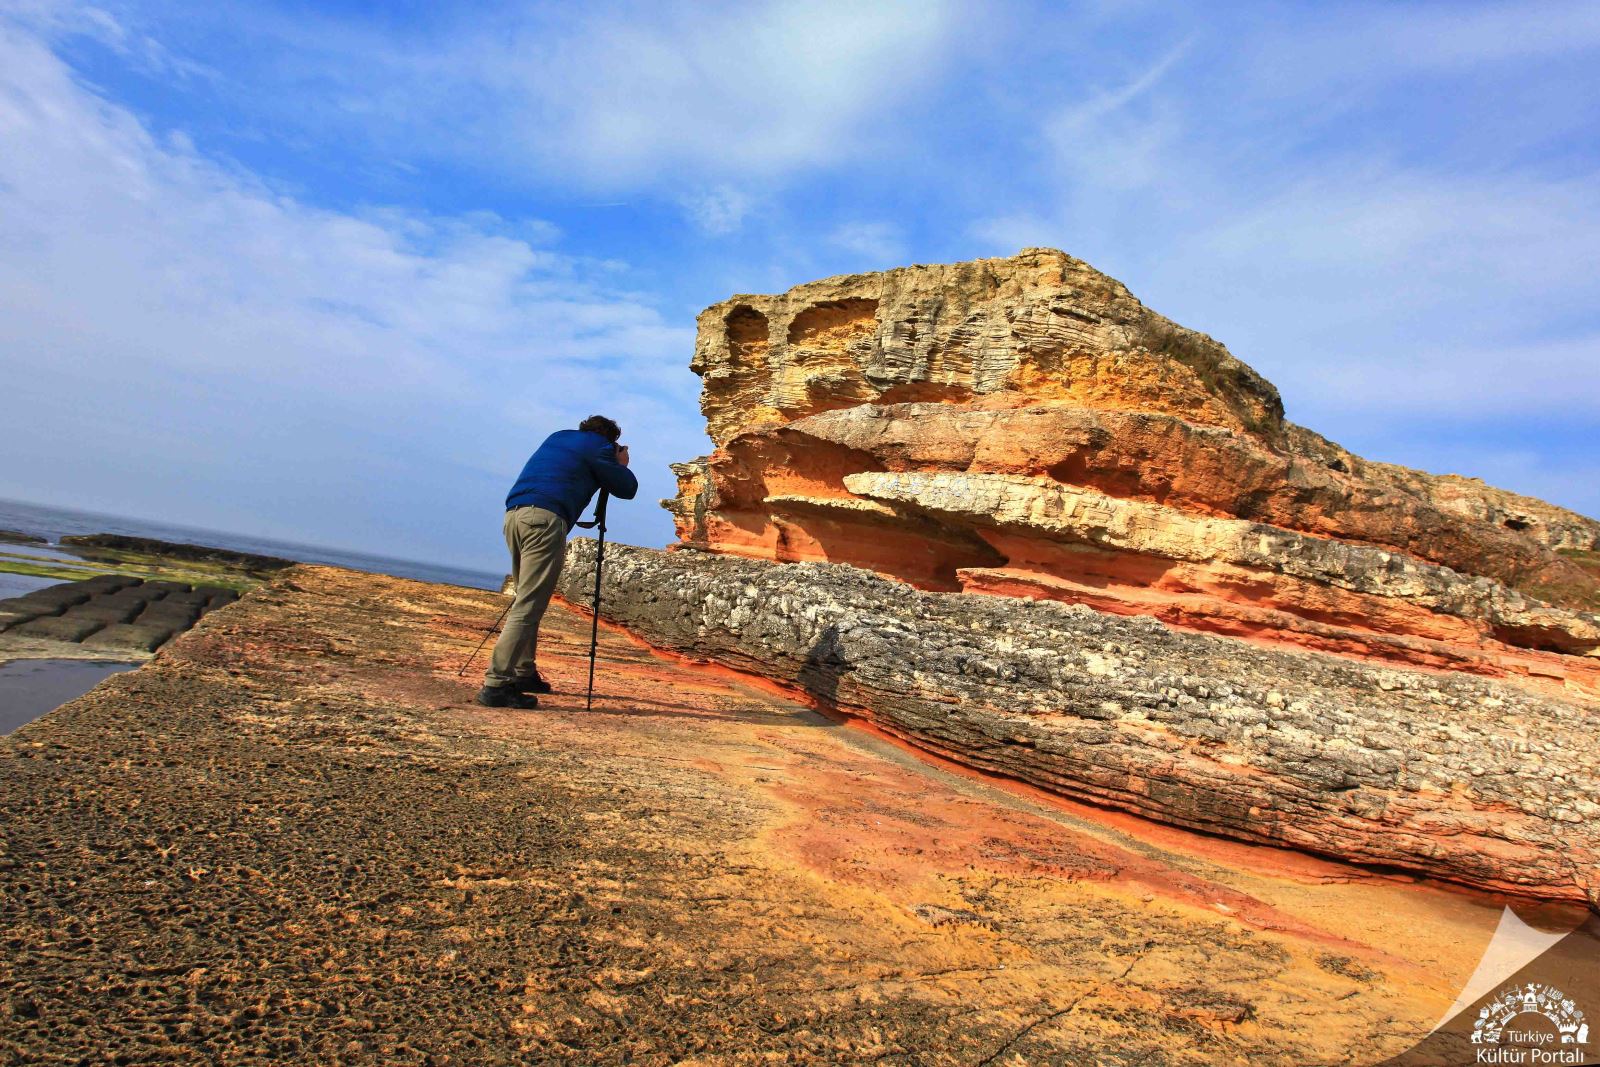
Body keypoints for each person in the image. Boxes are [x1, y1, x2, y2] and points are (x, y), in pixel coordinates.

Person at [479, 415, 637, 709]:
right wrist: (620, 463)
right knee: (529, 604)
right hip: (545, 520)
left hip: (514, 516)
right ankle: (497, 684)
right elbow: (627, 489)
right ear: (609, 438)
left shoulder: (557, 437)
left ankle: (524, 673)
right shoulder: (598, 448)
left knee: (525, 599)